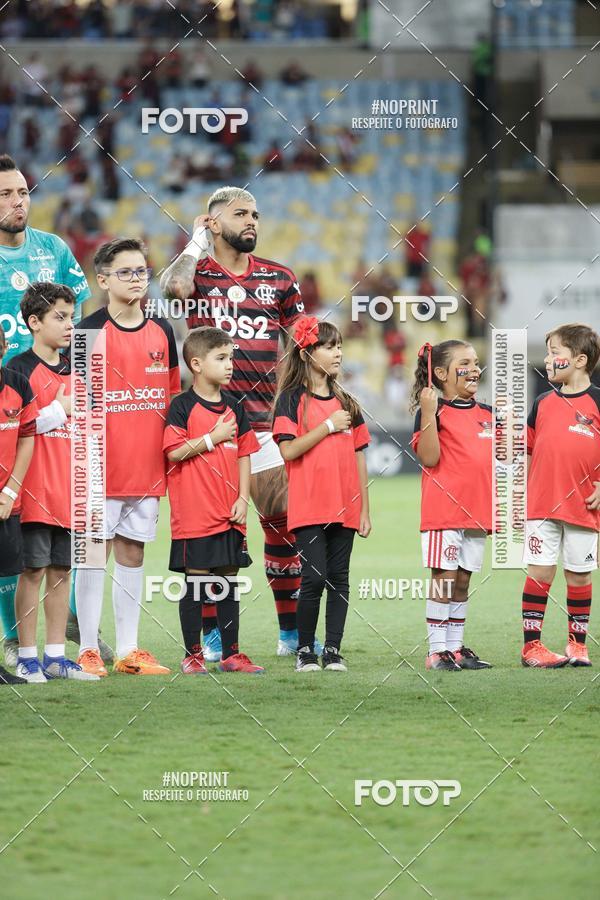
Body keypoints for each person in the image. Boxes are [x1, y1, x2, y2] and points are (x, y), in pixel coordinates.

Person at [160, 186, 308, 660]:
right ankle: (212, 636)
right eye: (240, 213)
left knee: (281, 523)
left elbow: (301, 343)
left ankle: (288, 633)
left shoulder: (279, 278)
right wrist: (195, 243)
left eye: (256, 214)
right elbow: (172, 289)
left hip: (264, 419)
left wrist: (297, 404)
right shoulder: (196, 273)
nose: (252, 221)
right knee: (216, 531)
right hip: (211, 421)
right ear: (213, 221)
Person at [0, 153, 92, 668]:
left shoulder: (53, 249)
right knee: (11, 524)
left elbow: (74, 318)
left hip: (48, 387)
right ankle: (19, 639)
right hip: (4, 390)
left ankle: (47, 643)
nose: (18, 202)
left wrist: (73, 381)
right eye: (7, 194)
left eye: (23, 191)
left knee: (45, 522)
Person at [74, 238, 180, 676]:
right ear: (103, 279)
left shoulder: (163, 331)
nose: (137, 279)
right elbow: (76, 401)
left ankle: (129, 651)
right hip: (97, 467)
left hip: (146, 466)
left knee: (133, 552)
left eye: (142, 271)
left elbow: (173, 398)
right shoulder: (87, 332)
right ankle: (87, 649)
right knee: (93, 553)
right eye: (126, 272)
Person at [8, 284, 99, 682]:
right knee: (32, 571)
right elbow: (16, 429)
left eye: (72, 317)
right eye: (59, 317)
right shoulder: (18, 369)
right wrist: (56, 411)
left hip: (69, 489)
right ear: (33, 322)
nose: (69, 325)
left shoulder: (79, 370)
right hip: (32, 490)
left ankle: (57, 656)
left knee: (62, 570)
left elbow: (89, 432)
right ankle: (27, 656)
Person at [272, 316, 371, 672]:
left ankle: (332, 650)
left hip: (346, 506)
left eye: (339, 346)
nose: (338, 353)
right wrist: (328, 427)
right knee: (314, 577)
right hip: (309, 505)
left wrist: (365, 509)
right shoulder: (291, 399)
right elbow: (288, 451)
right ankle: (304, 651)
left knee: (339, 578)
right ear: (306, 353)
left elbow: (360, 457)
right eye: (329, 346)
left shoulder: (348, 401)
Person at [164, 327, 264, 674]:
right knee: (196, 582)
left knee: (227, 582)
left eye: (231, 358)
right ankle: (192, 655)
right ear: (196, 363)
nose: (230, 365)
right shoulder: (181, 406)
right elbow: (174, 452)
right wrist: (212, 438)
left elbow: (245, 455)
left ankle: (231, 654)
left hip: (229, 511)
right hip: (194, 514)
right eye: (221, 358)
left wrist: (242, 498)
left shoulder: (236, 407)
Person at [410, 340, 493, 671]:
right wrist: (429, 411)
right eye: (465, 363)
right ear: (441, 373)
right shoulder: (432, 412)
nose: (474, 369)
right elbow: (430, 457)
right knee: (444, 579)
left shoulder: (488, 414)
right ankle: (436, 651)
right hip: (443, 511)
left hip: (477, 512)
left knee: (462, 581)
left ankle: (455, 648)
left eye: (476, 362)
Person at [521, 324, 600, 668]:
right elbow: (527, 452)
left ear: (580, 360)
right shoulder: (541, 403)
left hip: (583, 505)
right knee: (540, 572)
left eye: (555, 353)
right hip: (541, 506)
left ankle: (577, 644)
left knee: (579, 575)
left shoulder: (598, 401)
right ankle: (532, 647)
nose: (548, 359)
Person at [0, 323, 34, 684]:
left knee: (4, 574)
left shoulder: (17, 385)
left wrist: (10, 490)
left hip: (6, 502)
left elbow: (26, 437)